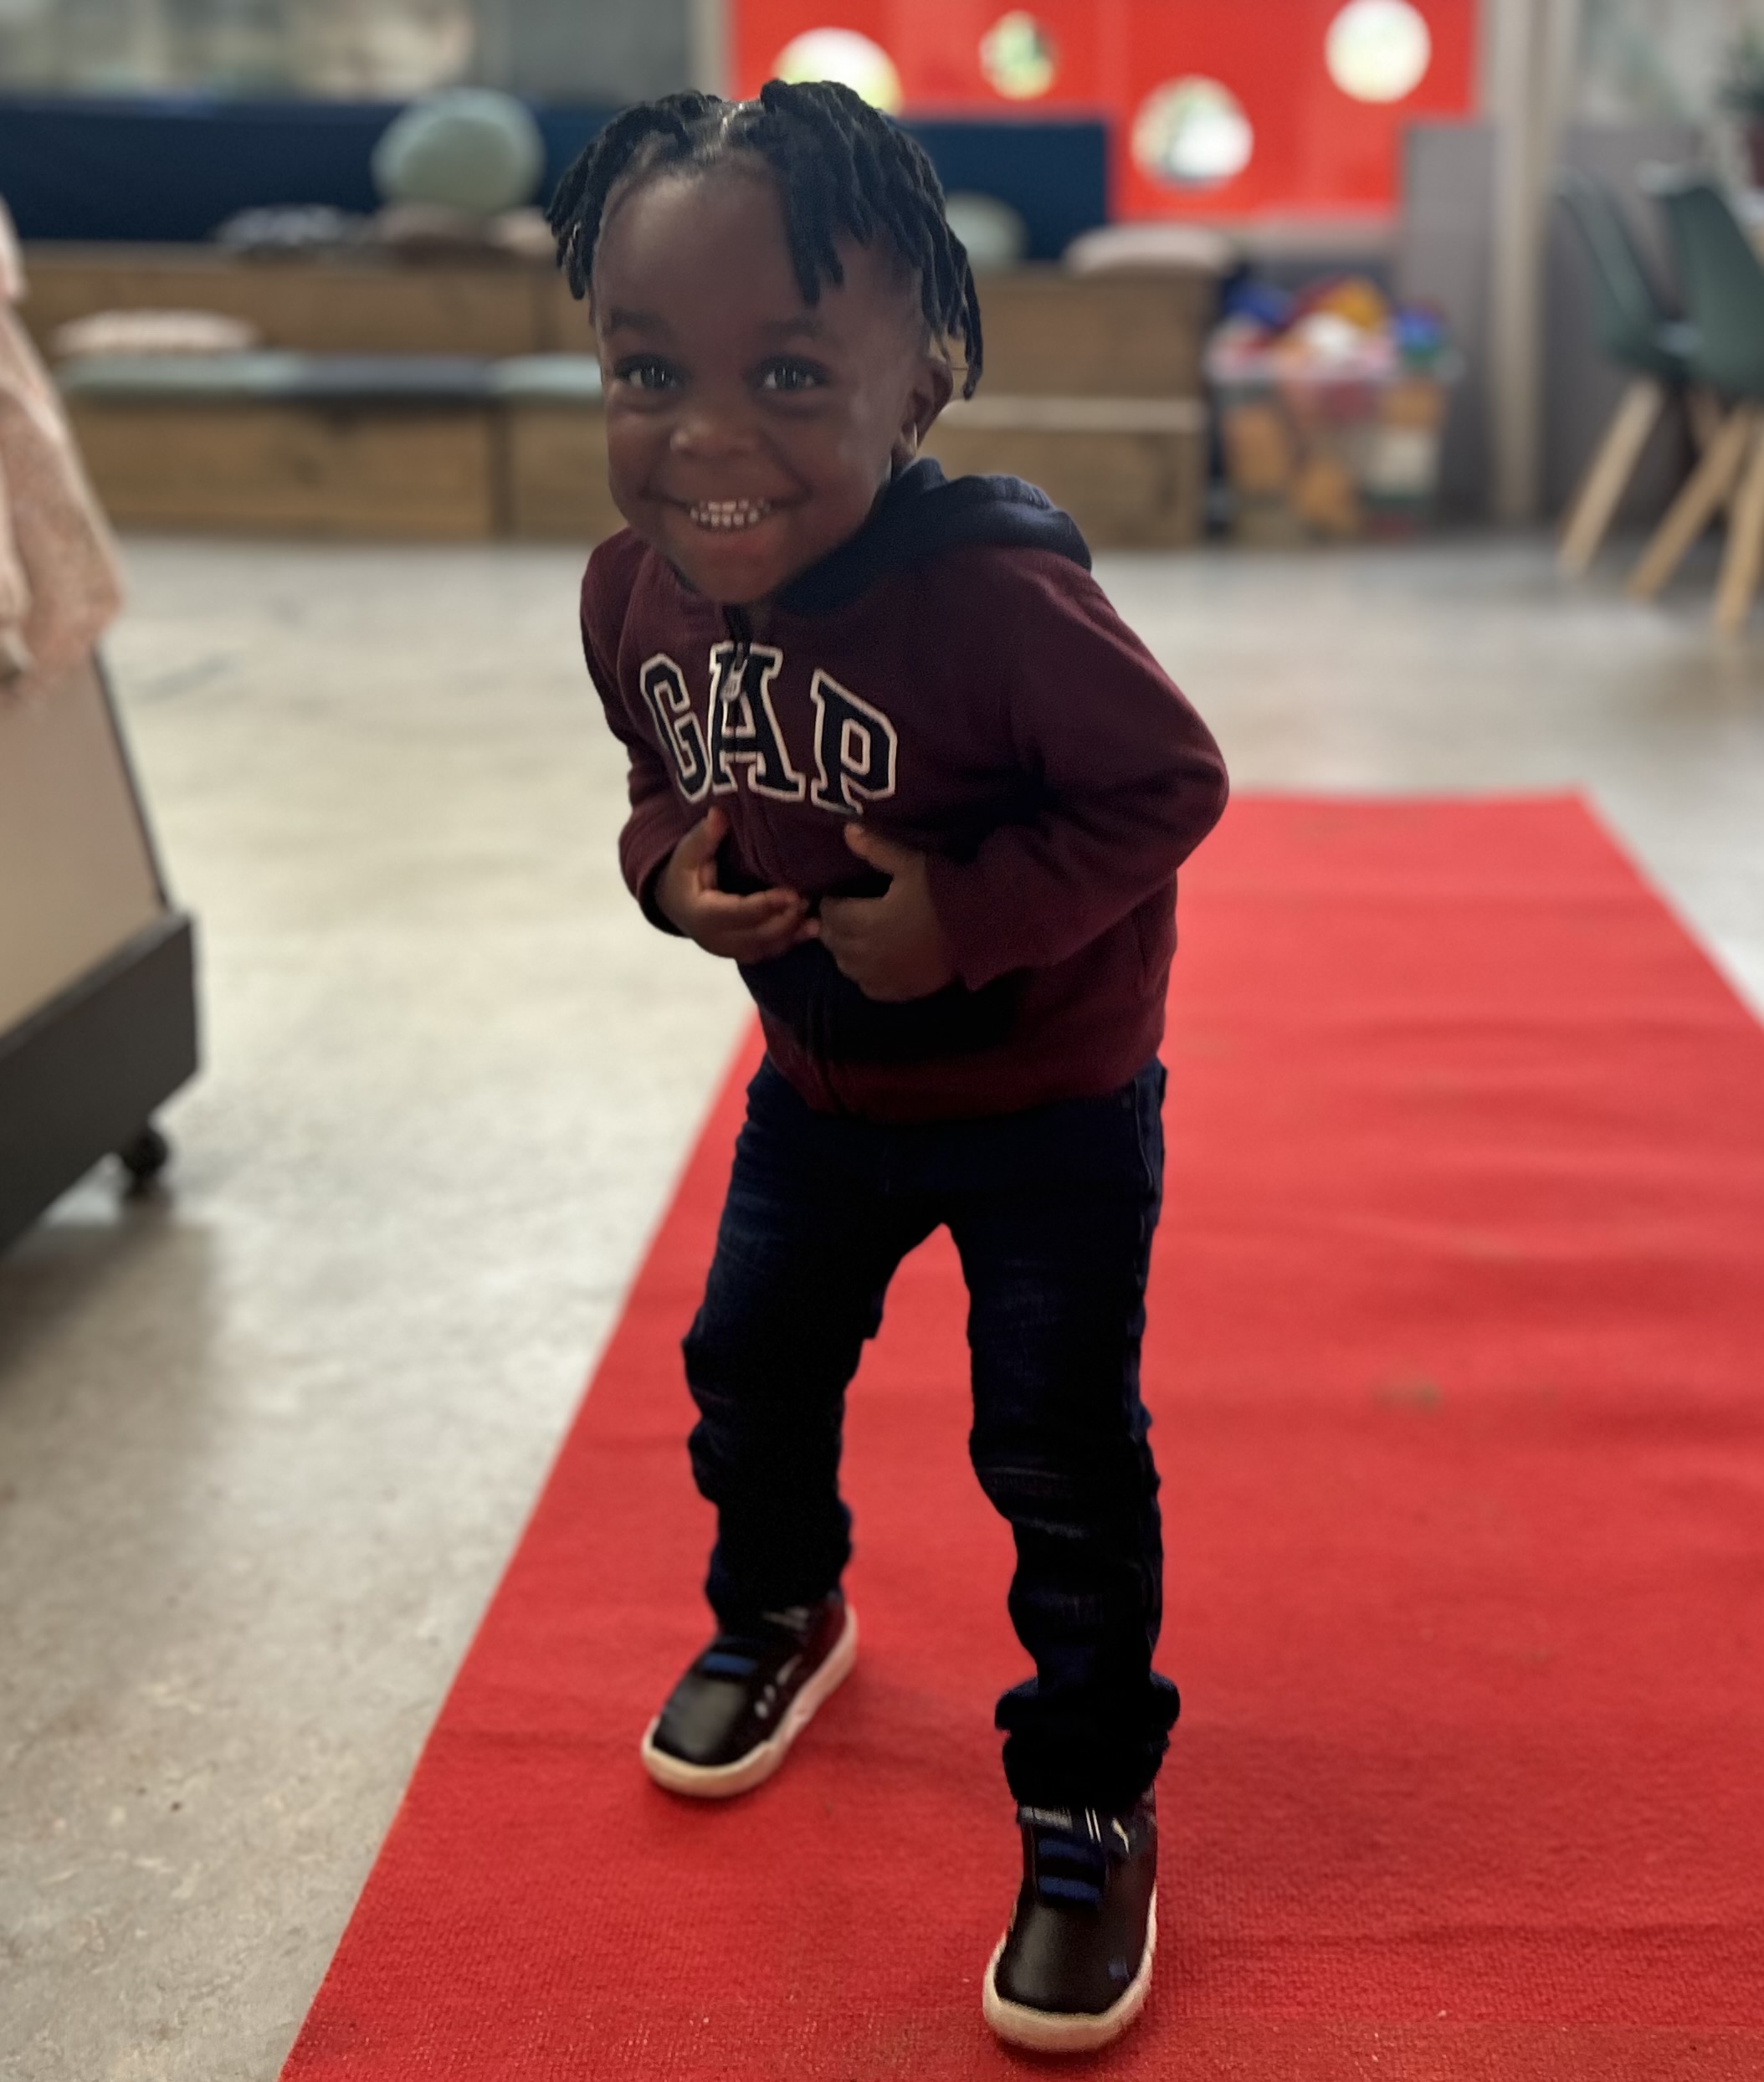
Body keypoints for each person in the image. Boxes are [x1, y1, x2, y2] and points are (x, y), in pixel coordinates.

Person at [551, 81, 1227, 2054]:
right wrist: (667, 870)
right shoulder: (630, 589)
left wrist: (968, 919)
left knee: (1055, 1456)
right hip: (818, 1098)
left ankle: (1086, 1790)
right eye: (647, 370)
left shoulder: (1000, 601)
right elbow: (655, 767)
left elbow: (1166, 785)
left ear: (919, 382)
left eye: (783, 373)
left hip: (1049, 1111)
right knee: (745, 1370)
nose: (704, 437)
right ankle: (780, 1609)